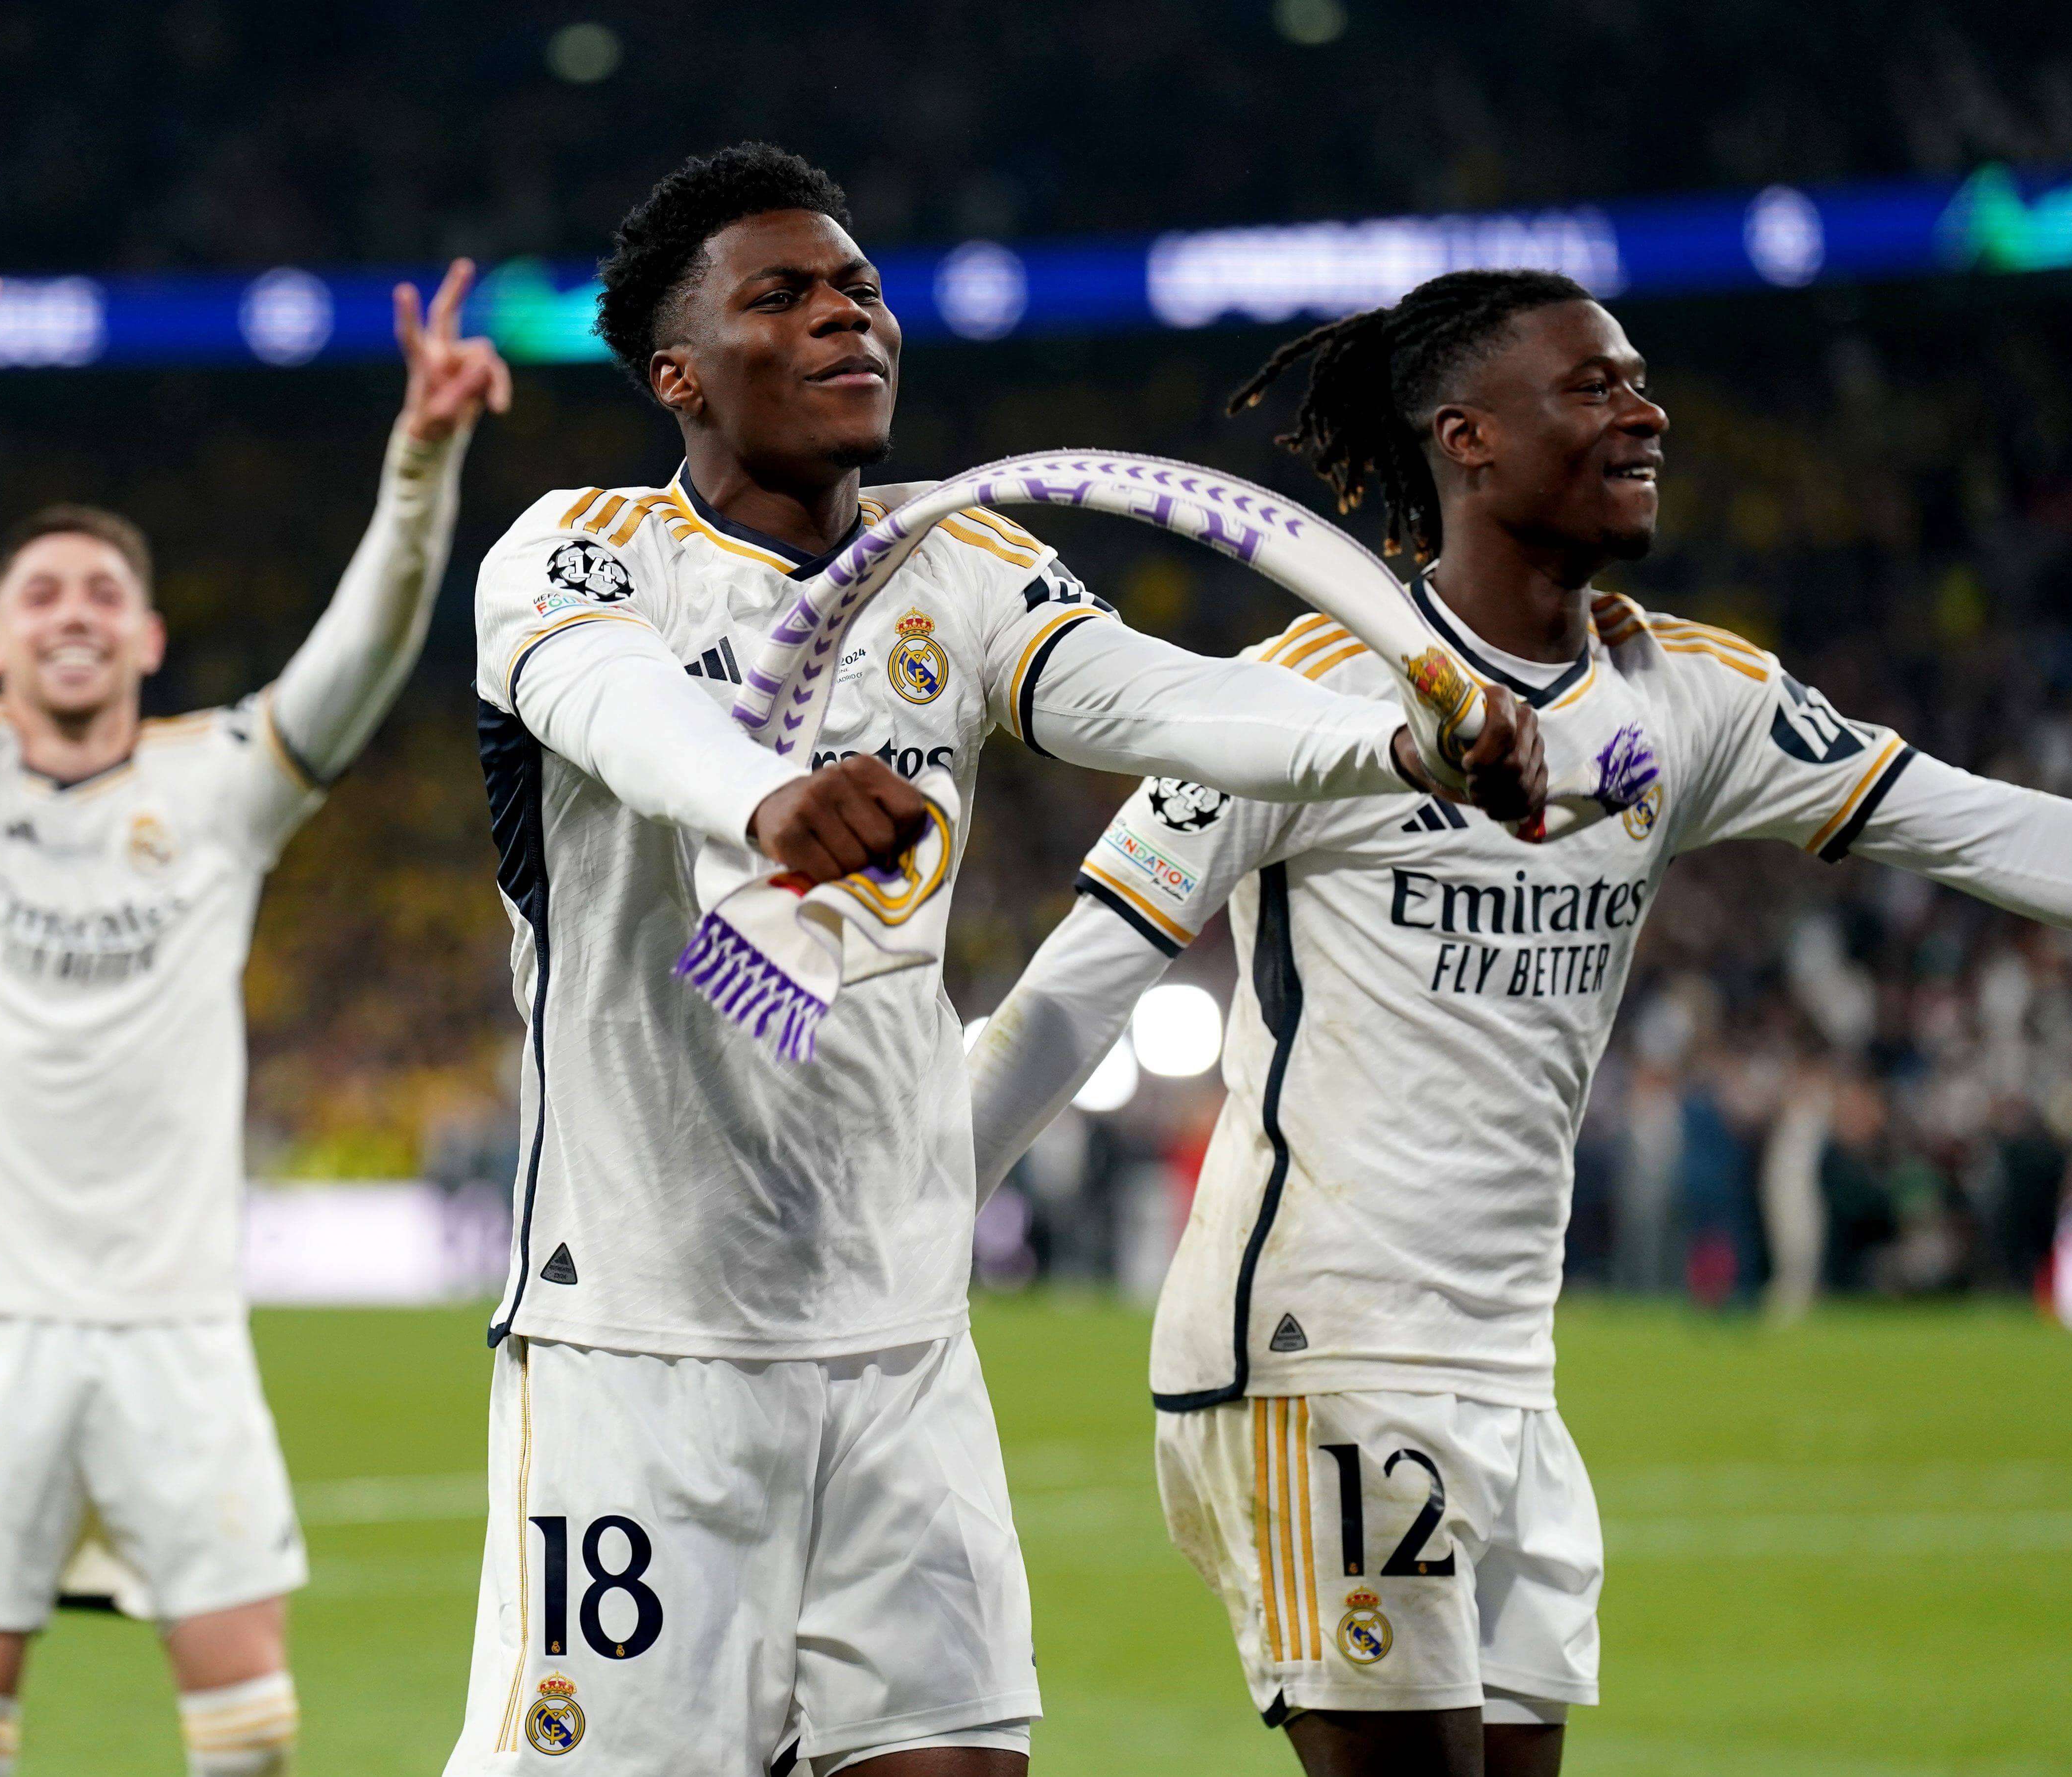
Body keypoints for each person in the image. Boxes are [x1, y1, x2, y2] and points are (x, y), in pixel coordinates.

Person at [965, 268, 2072, 1777]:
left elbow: (1976, 822)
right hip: (1318, 1350)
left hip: (1508, 1368)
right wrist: (918, 1212)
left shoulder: (1688, 695)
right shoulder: (1301, 699)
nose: (1647, 412)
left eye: (1640, 380)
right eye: (1595, 385)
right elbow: (1081, 982)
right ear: (1468, 438)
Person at [447, 146, 1542, 1777]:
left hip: (903, 1341)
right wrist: (767, 799)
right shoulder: (576, 551)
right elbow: (619, 703)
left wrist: (1394, 739)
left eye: (860, 288)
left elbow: (1162, 696)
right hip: (644, 1344)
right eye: (784, 296)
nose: (847, 317)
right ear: (679, 373)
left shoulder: (960, 563)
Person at [0, 246, 508, 1777]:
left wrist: (420, 463)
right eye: (41, 592)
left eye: (105, 593)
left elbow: (364, 652)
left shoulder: (219, 785)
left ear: (147, 639)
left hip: (174, 1310)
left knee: (249, 1712)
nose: (74, 611)